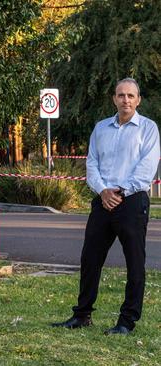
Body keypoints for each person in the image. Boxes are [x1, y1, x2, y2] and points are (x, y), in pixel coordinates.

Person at [52, 78, 160, 335]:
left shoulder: (148, 129)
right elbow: (92, 164)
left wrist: (120, 192)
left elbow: (147, 168)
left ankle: (127, 321)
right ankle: (82, 315)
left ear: (138, 100)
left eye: (131, 96)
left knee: (135, 262)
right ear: (114, 98)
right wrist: (103, 191)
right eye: (121, 95)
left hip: (132, 201)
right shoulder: (101, 128)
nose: (126, 100)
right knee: (90, 258)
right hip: (102, 201)